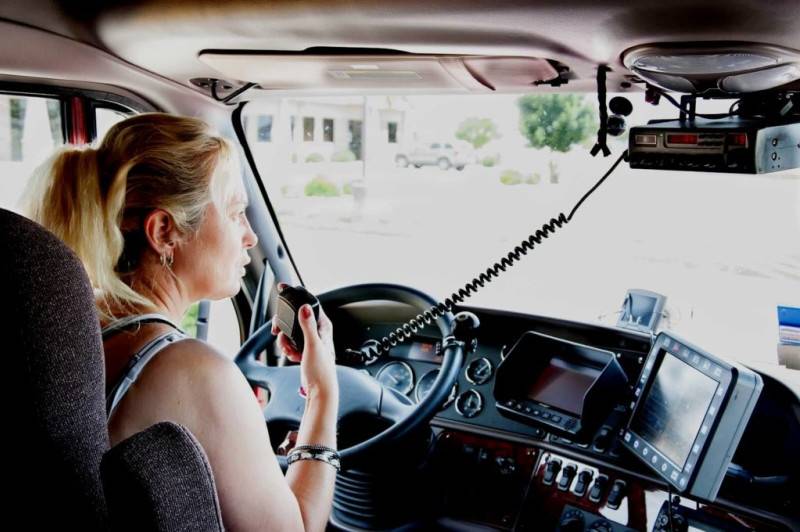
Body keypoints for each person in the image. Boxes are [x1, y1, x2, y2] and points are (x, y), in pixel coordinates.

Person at [24, 113, 339, 532]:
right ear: (164, 232)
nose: (249, 236)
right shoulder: (195, 373)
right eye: (235, 212)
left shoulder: (72, 326)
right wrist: (322, 393)